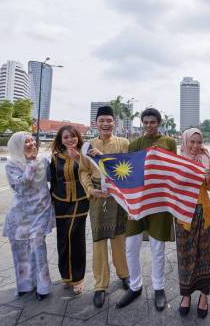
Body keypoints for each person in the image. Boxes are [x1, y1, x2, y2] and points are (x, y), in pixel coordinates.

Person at [116, 108, 177, 311]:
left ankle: (159, 288)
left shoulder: (169, 143)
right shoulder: (134, 145)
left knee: (157, 247)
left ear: (159, 123)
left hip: (159, 201)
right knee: (131, 245)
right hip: (138, 201)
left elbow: (173, 170)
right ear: (142, 124)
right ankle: (135, 286)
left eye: (153, 122)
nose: (150, 125)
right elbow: (127, 171)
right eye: (146, 122)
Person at [79, 106, 130, 309]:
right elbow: (83, 171)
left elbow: (127, 168)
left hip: (117, 195)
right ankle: (100, 285)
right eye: (102, 121)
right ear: (96, 123)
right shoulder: (88, 146)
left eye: (109, 120)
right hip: (98, 196)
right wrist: (90, 190)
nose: (106, 124)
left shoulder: (124, 143)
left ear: (114, 123)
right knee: (99, 240)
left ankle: (124, 274)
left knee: (119, 237)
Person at [3, 132, 55, 301]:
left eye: (33, 140)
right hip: (20, 215)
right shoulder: (11, 165)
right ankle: (25, 285)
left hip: (40, 211)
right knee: (21, 250)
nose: (32, 143)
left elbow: (53, 177)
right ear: (18, 146)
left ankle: (43, 286)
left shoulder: (43, 160)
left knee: (38, 247)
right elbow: (20, 186)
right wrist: (31, 164)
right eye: (27, 141)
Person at [175, 128, 210, 319]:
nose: (195, 146)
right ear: (185, 142)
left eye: (199, 142)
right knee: (185, 255)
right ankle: (185, 295)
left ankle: (204, 296)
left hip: (203, 212)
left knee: (203, 255)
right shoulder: (178, 161)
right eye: (192, 142)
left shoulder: (207, 158)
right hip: (183, 214)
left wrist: (207, 175)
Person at [49, 125, 89, 295]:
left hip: (80, 200)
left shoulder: (85, 154)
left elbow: (91, 172)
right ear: (61, 140)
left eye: (73, 136)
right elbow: (53, 180)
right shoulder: (55, 157)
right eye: (66, 137)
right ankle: (67, 276)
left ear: (78, 138)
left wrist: (79, 158)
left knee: (76, 237)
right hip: (60, 201)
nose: (70, 140)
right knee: (63, 238)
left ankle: (78, 278)